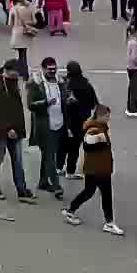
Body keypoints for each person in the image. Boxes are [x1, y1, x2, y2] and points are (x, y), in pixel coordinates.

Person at [63, 104, 122, 235]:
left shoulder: (98, 127)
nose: (108, 118)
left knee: (89, 192)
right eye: (107, 116)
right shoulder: (94, 129)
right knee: (105, 195)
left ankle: (70, 210)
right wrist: (102, 142)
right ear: (100, 116)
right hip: (99, 168)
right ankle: (109, 223)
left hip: (96, 168)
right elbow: (88, 145)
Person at [0, 60, 34, 202]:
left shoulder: (13, 83)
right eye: (17, 71)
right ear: (9, 70)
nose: (19, 74)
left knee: (18, 161)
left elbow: (16, 110)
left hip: (16, 130)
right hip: (1, 131)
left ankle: (21, 189)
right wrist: (8, 128)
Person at [25, 58, 67, 198]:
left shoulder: (60, 81)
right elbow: (30, 105)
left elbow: (64, 98)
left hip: (59, 123)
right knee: (50, 156)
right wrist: (45, 103)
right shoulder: (35, 83)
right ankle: (56, 186)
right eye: (49, 69)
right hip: (44, 126)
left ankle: (43, 181)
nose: (52, 72)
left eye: (54, 68)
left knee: (48, 155)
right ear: (43, 69)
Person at [60, 61, 97, 179]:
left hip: (67, 120)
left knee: (64, 145)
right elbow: (93, 103)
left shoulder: (66, 85)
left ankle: (59, 167)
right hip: (82, 121)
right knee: (75, 148)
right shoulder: (86, 84)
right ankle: (70, 171)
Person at [7, 0, 38, 76]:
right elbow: (35, 22)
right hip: (27, 33)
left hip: (17, 34)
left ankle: (23, 71)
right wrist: (28, 23)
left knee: (21, 54)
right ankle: (24, 70)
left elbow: (10, 24)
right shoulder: (30, 8)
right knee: (24, 53)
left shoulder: (13, 9)